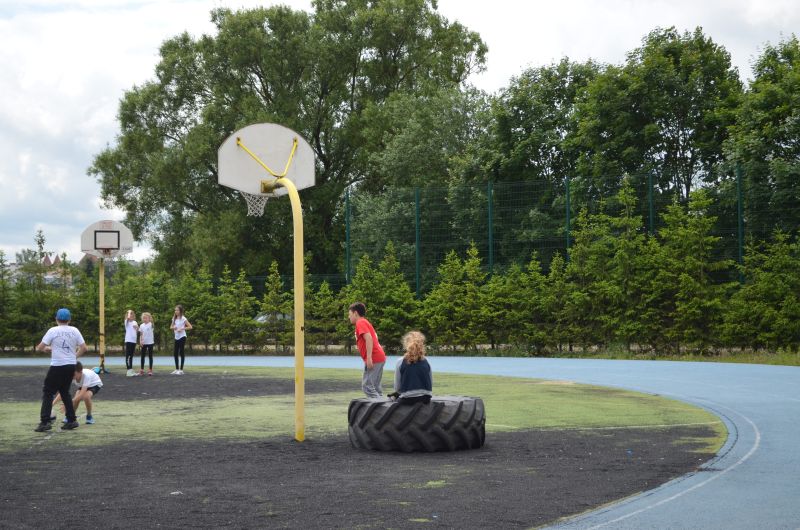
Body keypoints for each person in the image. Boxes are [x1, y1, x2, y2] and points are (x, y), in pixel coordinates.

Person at [34, 308, 87, 432]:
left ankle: (45, 421)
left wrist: (47, 349)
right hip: (70, 366)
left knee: (48, 392)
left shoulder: (53, 330)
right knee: (64, 392)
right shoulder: (75, 330)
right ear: (69, 319)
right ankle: (71, 420)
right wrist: (74, 357)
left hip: (57, 366)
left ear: (56, 319)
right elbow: (84, 348)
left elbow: (40, 347)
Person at [348, 302, 386, 398]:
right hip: (379, 356)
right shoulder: (364, 322)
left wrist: (369, 358)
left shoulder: (360, 322)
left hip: (374, 357)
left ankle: (379, 405)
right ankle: (383, 404)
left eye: (350, 314)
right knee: (375, 387)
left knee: (367, 387)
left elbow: (369, 338)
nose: (349, 317)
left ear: (355, 313)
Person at [389, 331, 433, 404]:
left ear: (406, 345)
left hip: (408, 399)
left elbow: (397, 387)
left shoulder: (400, 361)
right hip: (426, 398)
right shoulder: (427, 361)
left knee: (393, 397)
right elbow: (430, 382)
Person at [170, 305, 192, 375]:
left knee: (181, 352)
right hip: (176, 337)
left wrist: (182, 328)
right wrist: (174, 327)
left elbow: (190, 327)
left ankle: (181, 370)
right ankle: (177, 369)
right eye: (175, 310)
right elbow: (171, 327)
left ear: (180, 311)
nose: (176, 311)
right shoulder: (174, 318)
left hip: (182, 337)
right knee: (175, 353)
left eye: (177, 310)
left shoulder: (183, 318)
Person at [124, 309, 139, 377]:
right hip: (128, 340)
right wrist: (129, 312)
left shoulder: (135, 322)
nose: (131, 316)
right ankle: (128, 371)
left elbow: (137, 330)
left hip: (133, 341)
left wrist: (137, 327)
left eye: (132, 315)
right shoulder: (126, 322)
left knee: (131, 356)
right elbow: (128, 318)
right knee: (128, 356)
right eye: (130, 315)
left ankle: (131, 370)